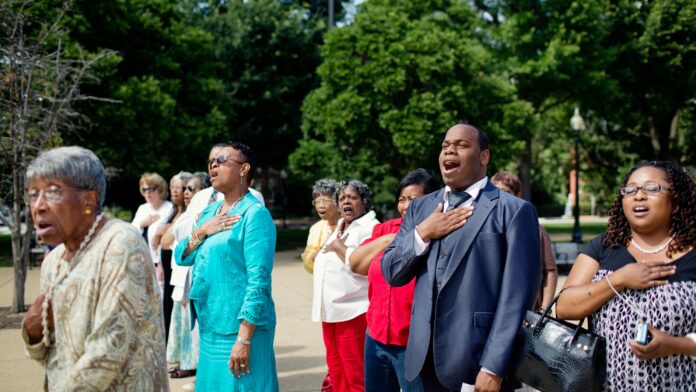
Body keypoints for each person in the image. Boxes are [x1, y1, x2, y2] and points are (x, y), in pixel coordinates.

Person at [382, 123, 541, 392]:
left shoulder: (514, 211)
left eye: (461, 145)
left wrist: (493, 366)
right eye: (445, 146)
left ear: (484, 156)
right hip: (424, 362)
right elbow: (392, 271)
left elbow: (516, 297)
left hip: (478, 362)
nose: (449, 151)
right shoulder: (420, 207)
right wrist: (423, 232)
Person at [21, 146, 169, 391]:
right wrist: (32, 332)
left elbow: (108, 350)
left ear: (88, 200)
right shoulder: (54, 261)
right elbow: (51, 355)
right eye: (33, 194)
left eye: (53, 192)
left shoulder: (120, 243)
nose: (39, 206)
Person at [556, 161, 696, 391]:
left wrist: (675, 345)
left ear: (677, 200)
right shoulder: (603, 247)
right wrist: (618, 280)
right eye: (630, 190)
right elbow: (563, 307)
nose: (638, 196)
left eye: (651, 188)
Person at [174, 141, 278, 391]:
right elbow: (181, 256)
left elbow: (259, 281)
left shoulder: (255, 214)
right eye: (210, 162)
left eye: (221, 160)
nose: (213, 166)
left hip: (241, 330)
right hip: (210, 327)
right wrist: (202, 231)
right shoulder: (210, 213)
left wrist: (244, 338)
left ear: (243, 169)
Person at [348, 169, 441, 392]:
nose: (406, 205)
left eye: (413, 199)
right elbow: (356, 264)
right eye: (402, 199)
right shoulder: (384, 229)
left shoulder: (439, 235)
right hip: (376, 335)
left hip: (412, 343)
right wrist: (391, 239)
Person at [312, 179, 380, 392]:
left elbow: (363, 265)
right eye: (341, 198)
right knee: (336, 370)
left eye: (352, 197)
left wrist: (339, 249)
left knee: (356, 373)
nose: (346, 202)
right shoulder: (339, 227)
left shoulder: (371, 228)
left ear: (364, 202)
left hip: (354, 311)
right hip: (330, 311)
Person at [164, 172, 209, 384]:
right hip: (182, 277)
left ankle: (199, 372)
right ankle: (197, 371)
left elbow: (168, 238)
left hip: (197, 279)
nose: (186, 193)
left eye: (191, 188)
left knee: (199, 331)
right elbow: (167, 241)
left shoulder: (206, 215)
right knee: (189, 330)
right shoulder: (187, 216)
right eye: (186, 189)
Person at [491, 171, 558, 310]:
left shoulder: (535, 230)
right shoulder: (484, 227)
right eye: (496, 191)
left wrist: (545, 310)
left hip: (527, 311)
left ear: (517, 195)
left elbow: (550, 271)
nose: (501, 197)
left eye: (506, 192)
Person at [154, 171, 192, 345]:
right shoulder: (171, 212)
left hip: (178, 267)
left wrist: (164, 232)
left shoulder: (187, 214)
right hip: (166, 264)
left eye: (180, 187)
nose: (176, 191)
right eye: (173, 187)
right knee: (166, 305)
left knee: (174, 306)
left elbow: (167, 236)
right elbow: (157, 238)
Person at [132, 172, 173, 287]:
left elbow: (167, 237)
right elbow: (131, 233)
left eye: (151, 189)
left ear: (160, 189)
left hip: (160, 265)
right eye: (144, 190)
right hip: (142, 264)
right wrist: (142, 224)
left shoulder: (169, 208)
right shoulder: (142, 209)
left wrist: (160, 263)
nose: (147, 193)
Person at [302, 178, 341, 273]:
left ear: (338, 202)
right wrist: (322, 248)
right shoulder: (316, 229)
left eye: (325, 200)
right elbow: (307, 263)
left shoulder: (349, 226)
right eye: (317, 201)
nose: (321, 205)